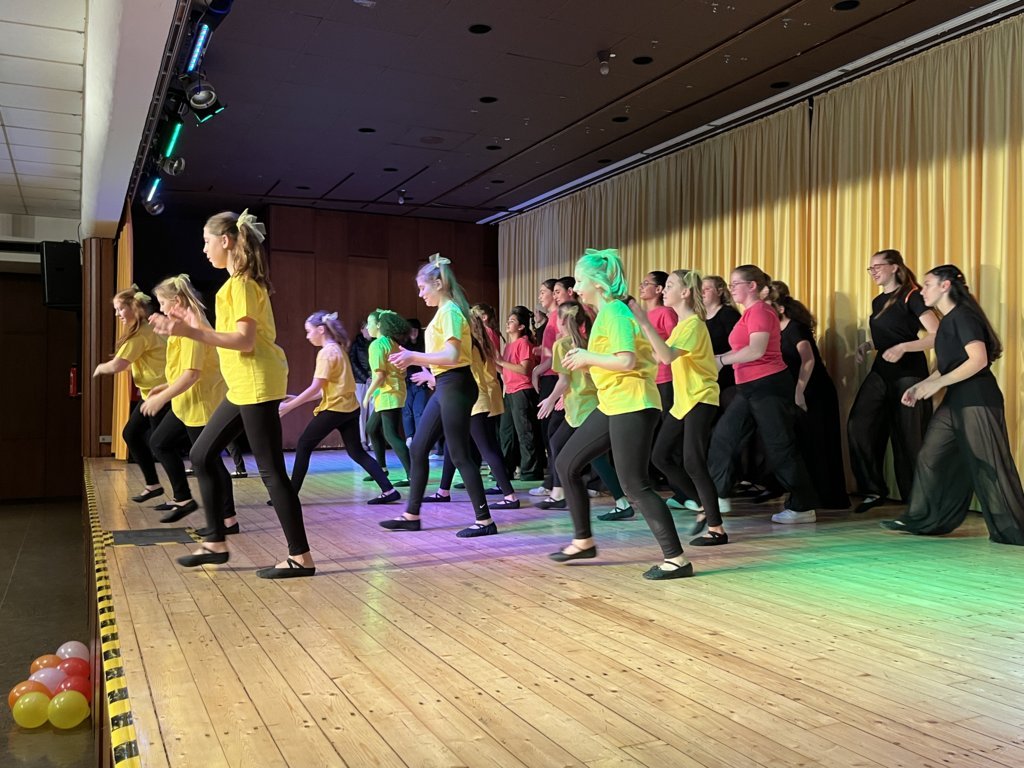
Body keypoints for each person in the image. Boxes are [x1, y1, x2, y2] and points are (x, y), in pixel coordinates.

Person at [150, 209, 314, 578]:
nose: (204, 249)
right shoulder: (234, 285)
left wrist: (190, 332)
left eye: (207, 241)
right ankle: (216, 542)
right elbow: (224, 337)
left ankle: (300, 557)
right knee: (201, 453)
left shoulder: (241, 285)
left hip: (255, 382)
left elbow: (244, 341)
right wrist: (189, 325)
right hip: (243, 385)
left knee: (271, 471)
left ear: (225, 241)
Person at [553, 248, 693, 580]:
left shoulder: (615, 312)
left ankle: (676, 560)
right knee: (566, 463)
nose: (576, 287)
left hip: (633, 403)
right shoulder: (606, 314)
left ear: (597, 283)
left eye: (580, 280)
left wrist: (587, 357)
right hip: (613, 402)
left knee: (635, 485)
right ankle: (583, 541)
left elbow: (626, 360)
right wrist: (587, 359)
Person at [881, 266, 1024, 544]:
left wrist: (937, 384)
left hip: (977, 399)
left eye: (927, 284)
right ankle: (923, 518)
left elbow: (978, 360)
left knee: (989, 463)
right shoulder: (947, 321)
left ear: (945, 286)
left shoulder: (964, 316)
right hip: (956, 399)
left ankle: (1014, 527)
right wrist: (921, 385)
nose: (922, 290)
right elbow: (949, 365)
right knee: (931, 455)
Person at [379, 254, 497, 537]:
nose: (421, 294)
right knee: (418, 447)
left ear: (439, 284)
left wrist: (413, 357)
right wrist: (417, 361)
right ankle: (411, 515)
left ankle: (485, 521)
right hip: (446, 385)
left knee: (459, 454)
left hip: (456, 385)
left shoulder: (451, 312)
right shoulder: (444, 313)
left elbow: (452, 356)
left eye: (423, 288)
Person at [707, 265, 819, 524]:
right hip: (748, 387)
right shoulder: (748, 314)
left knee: (780, 446)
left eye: (736, 283)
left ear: (752, 286)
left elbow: (756, 350)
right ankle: (719, 495)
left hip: (769, 386)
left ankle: (803, 507)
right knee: (723, 437)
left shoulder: (761, 311)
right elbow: (743, 350)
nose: (732, 288)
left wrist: (721, 360)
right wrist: (718, 359)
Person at [631, 270, 723, 544]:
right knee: (660, 456)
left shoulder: (694, 324)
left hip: (701, 398)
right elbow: (659, 355)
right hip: (684, 401)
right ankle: (702, 505)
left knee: (693, 462)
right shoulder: (682, 326)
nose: (665, 290)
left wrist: (644, 322)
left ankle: (717, 529)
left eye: (670, 285)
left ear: (685, 293)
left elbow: (667, 356)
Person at [144, 274, 237, 533]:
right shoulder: (181, 325)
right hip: (185, 402)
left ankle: (228, 519)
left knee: (208, 461)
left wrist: (161, 397)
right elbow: (182, 369)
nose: (161, 309)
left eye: (163, 303)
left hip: (201, 404)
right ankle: (183, 498)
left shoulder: (194, 327)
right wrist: (165, 387)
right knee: (159, 442)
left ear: (177, 301)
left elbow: (192, 374)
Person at [848, 249, 938, 513]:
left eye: (877, 266)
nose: (873, 272)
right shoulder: (878, 301)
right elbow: (891, 333)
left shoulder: (913, 296)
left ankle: (917, 501)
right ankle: (873, 489)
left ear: (895, 267)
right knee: (858, 425)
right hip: (882, 370)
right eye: (870, 268)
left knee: (909, 438)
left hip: (909, 372)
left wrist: (904, 347)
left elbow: (937, 334)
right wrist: (868, 345)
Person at [279, 311, 398, 504]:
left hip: (335, 410)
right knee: (356, 452)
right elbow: (325, 390)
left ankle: (290, 496)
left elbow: (316, 387)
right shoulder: (339, 349)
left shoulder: (326, 353)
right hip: (349, 409)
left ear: (321, 330)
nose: (307, 336)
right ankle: (389, 490)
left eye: (309, 331)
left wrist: (289, 406)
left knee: (303, 445)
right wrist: (297, 398)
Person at [538, 300, 634, 519]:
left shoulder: (562, 345)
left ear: (561, 321)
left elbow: (564, 380)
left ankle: (619, 502)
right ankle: (560, 493)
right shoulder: (587, 341)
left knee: (587, 455)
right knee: (563, 445)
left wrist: (551, 398)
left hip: (582, 406)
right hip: (587, 403)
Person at [424, 312, 521, 511]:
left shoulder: (469, 346)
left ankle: (510, 496)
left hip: (474, 402)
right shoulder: (477, 344)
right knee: (453, 445)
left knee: (487, 449)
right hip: (474, 400)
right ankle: (443, 490)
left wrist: (430, 375)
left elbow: (456, 372)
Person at [772, 281, 850, 510]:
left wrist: (799, 392)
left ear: (780, 308)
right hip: (798, 392)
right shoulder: (774, 332)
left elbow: (808, 360)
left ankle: (828, 498)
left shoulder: (796, 328)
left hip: (815, 391)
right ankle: (810, 496)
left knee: (820, 445)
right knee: (804, 446)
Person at [93, 286, 170, 504]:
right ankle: (154, 485)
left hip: (161, 395)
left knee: (161, 446)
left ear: (134, 308)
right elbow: (132, 362)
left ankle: (181, 496)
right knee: (133, 434)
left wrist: (98, 368)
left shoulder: (141, 334)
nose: (117, 314)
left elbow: (117, 365)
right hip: (152, 394)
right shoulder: (146, 330)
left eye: (120, 309)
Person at [364, 309, 412, 485]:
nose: (367, 327)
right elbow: (402, 370)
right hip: (393, 392)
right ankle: (381, 469)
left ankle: (413, 475)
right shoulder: (392, 343)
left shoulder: (377, 345)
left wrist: (367, 395)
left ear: (378, 325)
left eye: (369, 323)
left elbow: (380, 375)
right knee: (372, 428)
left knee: (391, 435)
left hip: (388, 393)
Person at [497, 305, 544, 481]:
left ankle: (531, 470)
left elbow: (525, 369)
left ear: (521, 326)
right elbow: (506, 370)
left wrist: (501, 361)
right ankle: (506, 469)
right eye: (508, 321)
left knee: (525, 432)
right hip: (510, 391)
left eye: (512, 321)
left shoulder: (524, 343)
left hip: (522, 391)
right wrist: (495, 362)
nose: (508, 324)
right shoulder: (509, 345)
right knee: (506, 433)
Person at [529, 279, 561, 497]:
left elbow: (558, 352)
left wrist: (537, 370)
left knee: (552, 433)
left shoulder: (559, 317)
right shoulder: (551, 319)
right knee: (549, 432)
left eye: (544, 292)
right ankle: (552, 481)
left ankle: (554, 483)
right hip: (549, 377)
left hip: (555, 378)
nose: (541, 296)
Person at [401, 318, 430, 440]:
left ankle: (420, 439)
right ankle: (409, 438)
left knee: (420, 411)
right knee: (407, 412)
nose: (414, 332)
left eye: (416, 330)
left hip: (421, 383)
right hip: (407, 383)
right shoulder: (403, 346)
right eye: (411, 330)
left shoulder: (425, 345)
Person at [349, 321, 373, 449]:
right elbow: (353, 363)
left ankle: (372, 441)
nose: (369, 331)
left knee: (373, 411)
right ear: (362, 329)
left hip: (375, 380)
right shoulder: (356, 345)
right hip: (360, 382)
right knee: (361, 412)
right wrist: (365, 377)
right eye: (366, 328)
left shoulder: (376, 343)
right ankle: (362, 440)